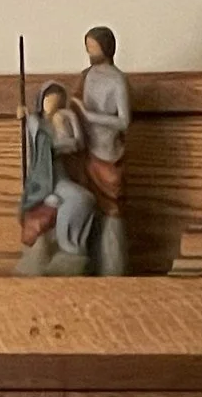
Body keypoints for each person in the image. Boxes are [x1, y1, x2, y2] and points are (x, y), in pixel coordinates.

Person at [17, 80, 97, 275]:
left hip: (60, 176)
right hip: (45, 179)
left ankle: (72, 249)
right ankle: (69, 248)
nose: (53, 105)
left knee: (84, 198)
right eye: (49, 101)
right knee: (78, 199)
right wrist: (25, 116)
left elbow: (77, 143)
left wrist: (65, 124)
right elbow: (38, 142)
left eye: (57, 101)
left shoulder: (64, 118)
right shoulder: (37, 123)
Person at [78, 27, 131, 277]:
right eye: (87, 46)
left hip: (109, 151)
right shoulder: (86, 76)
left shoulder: (116, 79)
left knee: (111, 210)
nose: (89, 51)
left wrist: (90, 116)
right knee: (90, 208)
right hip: (88, 149)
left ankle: (113, 267)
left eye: (93, 46)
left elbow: (124, 121)